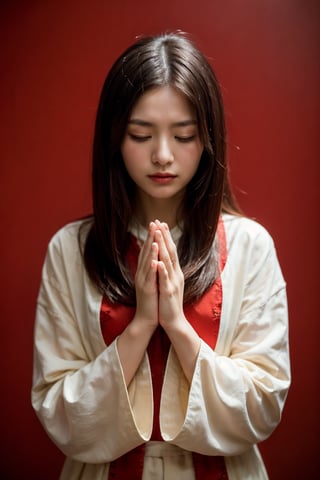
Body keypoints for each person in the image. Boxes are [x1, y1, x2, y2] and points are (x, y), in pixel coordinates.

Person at [31, 32, 290, 480]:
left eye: (184, 135)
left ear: (208, 139)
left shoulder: (251, 246)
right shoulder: (71, 250)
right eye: (141, 134)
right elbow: (57, 408)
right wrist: (141, 327)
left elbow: (262, 405)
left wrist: (176, 325)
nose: (163, 155)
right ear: (114, 138)